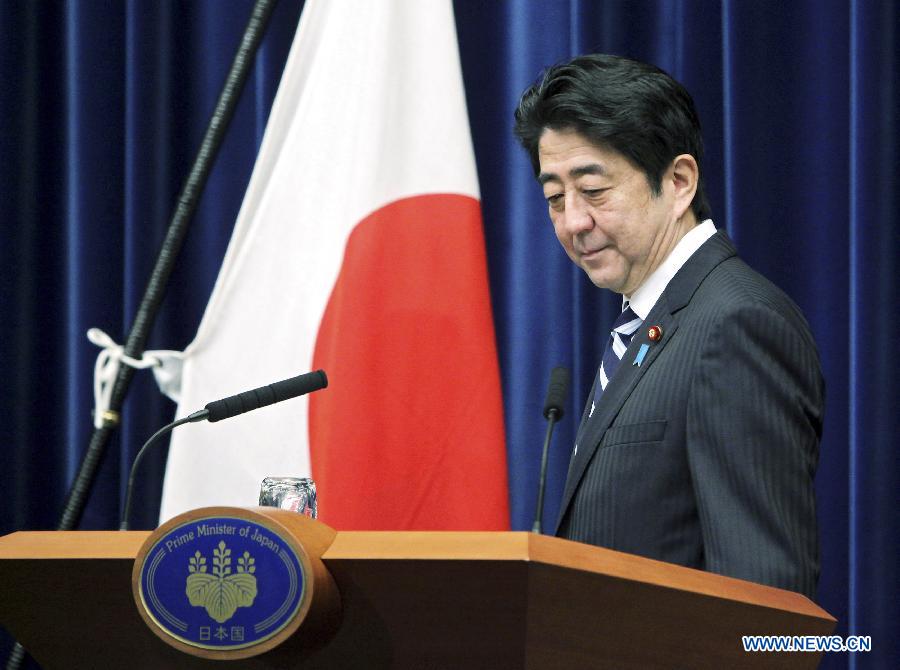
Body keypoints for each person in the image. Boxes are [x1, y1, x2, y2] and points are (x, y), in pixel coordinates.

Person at [514, 54, 824, 598]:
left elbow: (763, 599)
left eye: (593, 190)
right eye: (554, 199)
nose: (572, 223)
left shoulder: (735, 325)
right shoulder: (650, 323)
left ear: (678, 181)